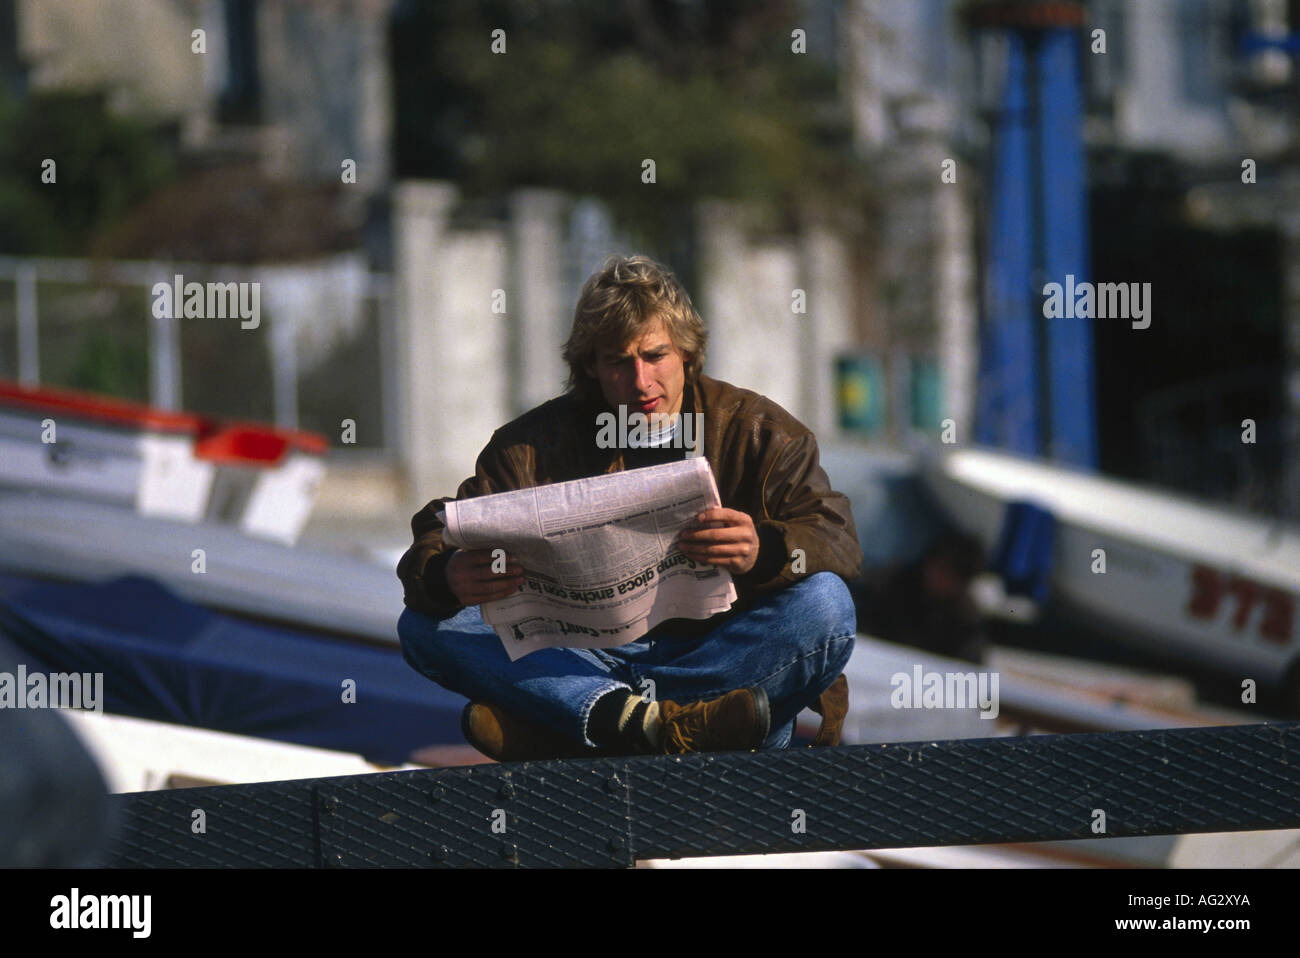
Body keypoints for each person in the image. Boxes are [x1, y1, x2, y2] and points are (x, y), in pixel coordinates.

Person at [396, 254, 861, 761]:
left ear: (686, 350)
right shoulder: (528, 445)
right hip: (582, 659)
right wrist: (446, 575)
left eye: (655, 355)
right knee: (425, 626)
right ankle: (628, 719)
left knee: (827, 605)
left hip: (718, 660)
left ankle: (575, 724)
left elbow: (837, 538)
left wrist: (766, 550)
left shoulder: (760, 430)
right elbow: (442, 531)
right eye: (618, 362)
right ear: (591, 366)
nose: (640, 381)